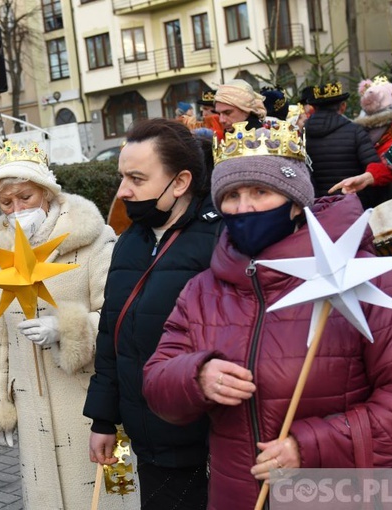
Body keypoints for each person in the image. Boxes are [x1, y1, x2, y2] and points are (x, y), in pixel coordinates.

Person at [143, 122, 392, 510]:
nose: (243, 208)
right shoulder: (203, 290)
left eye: (260, 192)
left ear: (296, 201)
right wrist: (196, 375)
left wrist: (309, 447)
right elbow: (157, 382)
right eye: (230, 195)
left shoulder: (367, 279)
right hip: (237, 495)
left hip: (337, 494)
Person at [0, 141, 131, 510]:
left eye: (25, 197)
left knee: (111, 496)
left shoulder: (94, 240)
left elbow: (117, 316)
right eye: (6, 203)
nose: (16, 209)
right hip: (31, 406)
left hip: (94, 401)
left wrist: (65, 329)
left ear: (47, 192)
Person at [83, 119, 221, 509]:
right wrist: (103, 420)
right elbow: (112, 334)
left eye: (137, 178)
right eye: (122, 176)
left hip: (206, 446)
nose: (123, 190)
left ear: (179, 183)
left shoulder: (221, 240)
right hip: (148, 443)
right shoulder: (130, 242)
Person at [304, 81, 390, 209]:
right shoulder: (356, 131)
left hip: (317, 206)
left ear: (314, 108)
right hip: (354, 204)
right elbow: (373, 166)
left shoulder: (301, 134)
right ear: (343, 106)